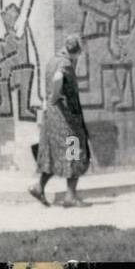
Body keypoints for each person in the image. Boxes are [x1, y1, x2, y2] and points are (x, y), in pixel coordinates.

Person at [29, 34, 90, 208]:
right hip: (66, 118)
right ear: (75, 52)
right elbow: (58, 78)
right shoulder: (65, 64)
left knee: (53, 154)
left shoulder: (52, 60)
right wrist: (56, 97)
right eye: (79, 54)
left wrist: (51, 100)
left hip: (52, 117)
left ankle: (38, 187)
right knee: (74, 150)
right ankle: (70, 197)